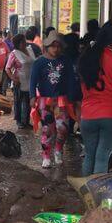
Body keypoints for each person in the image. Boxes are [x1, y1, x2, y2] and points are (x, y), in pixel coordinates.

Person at [78, 20, 112, 176]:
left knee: (89, 155)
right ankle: (97, 196)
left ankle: (85, 193)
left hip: (88, 114)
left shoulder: (86, 55)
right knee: (102, 157)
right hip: (111, 114)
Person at [30, 30, 73, 168]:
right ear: (47, 46)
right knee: (47, 129)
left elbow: (71, 79)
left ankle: (58, 150)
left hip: (62, 99)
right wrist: (32, 96)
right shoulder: (39, 62)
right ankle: (46, 156)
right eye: (53, 46)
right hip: (44, 99)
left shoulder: (65, 61)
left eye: (58, 46)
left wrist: (73, 96)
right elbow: (33, 81)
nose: (56, 49)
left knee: (63, 128)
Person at [6, 33, 35, 129]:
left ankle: (26, 121)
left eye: (24, 41)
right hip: (19, 81)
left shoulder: (30, 50)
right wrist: (13, 79)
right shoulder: (14, 53)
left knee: (28, 101)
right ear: (17, 43)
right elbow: (7, 68)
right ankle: (19, 121)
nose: (24, 43)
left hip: (30, 81)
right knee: (18, 101)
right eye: (22, 42)